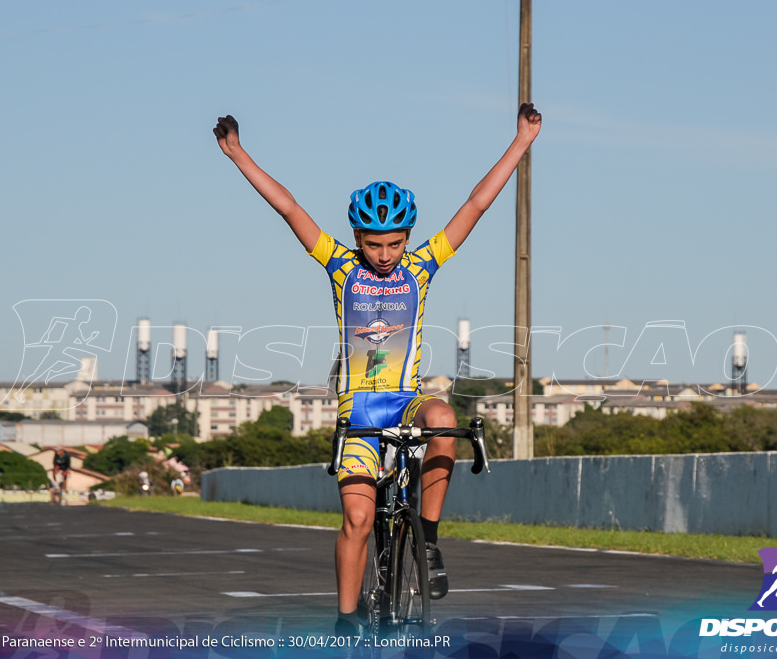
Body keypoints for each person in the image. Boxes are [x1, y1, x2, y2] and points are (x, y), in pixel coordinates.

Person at [214, 103, 542, 632]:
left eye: (394, 243)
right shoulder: (340, 266)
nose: (386, 253)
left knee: (442, 416)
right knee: (360, 519)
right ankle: (347, 621)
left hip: (405, 399)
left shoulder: (422, 265)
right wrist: (236, 153)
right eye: (374, 243)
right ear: (357, 237)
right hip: (359, 410)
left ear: (407, 238)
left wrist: (522, 141)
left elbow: (477, 205)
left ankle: (428, 539)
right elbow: (289, 207)